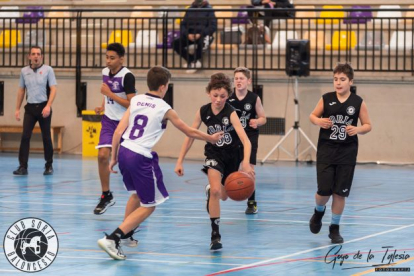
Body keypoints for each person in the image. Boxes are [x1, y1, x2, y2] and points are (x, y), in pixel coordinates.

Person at [97, 66, 223, 260]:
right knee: (150, 205)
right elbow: (190, 131)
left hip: (124, 151)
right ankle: (114, 238)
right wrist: (211, 138)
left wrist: (114, 157)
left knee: (137, 195)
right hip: (140, 155)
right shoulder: (165, 108)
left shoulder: (136, 99)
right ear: (164, 87)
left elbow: (117, 132)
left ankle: (125, 232)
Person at [175, 73, 254, 250]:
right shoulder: (203, 111)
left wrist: (246, 163)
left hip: (232, 156)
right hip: (214, 155)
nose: (218, 100)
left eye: (223, 96)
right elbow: (190, 136)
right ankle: (215, 235)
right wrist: (180, 160)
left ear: (229, 95)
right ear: (208, 93)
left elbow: (246, 140)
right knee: (217, 192)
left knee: (225, 196)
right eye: (215, 95)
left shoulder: (231, 112)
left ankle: (211, 190)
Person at [309, 63, 372, 243]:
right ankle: (318, 212)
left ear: (350, 81)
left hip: (347, 153)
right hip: (326, 151)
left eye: (342, 79)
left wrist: (357, 129)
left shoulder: (358, 102)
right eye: (335, 79)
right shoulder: (326, 98)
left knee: (340, 193)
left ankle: (334, 228)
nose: (338, 83)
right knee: (324, 191)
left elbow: (368, 125)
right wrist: (319, 121)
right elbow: (312, 116)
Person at [93, 43, 136, 215]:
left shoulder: (128, 76)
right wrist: (103, 105)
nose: (108, 61)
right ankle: (106, 195)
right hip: (109, 121)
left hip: (126, 122)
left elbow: (132, 104)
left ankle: (140, 196)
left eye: (112, 58)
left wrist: (110, 95)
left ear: (121, 59)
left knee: (130, 163)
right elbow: (108, 93)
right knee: (102, 155)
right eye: (107, 57)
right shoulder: (104, 72)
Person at [13, 46, 57, 176]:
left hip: (44, 107)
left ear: (41, 56)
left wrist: (48, 105)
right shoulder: (24, 71)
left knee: (46, 137)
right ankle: (23, 167)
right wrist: (17, 109)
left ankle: (49, 165)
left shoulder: (48, 70)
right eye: (33, 54)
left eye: (38, 54)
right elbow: (21, 90)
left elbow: (53, 89)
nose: (36, 56)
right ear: (29, 56)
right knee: (25, 137)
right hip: (30, 108)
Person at [228, 67, 266, 214]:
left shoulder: (254, 98)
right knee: (228, 169)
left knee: (249, 168)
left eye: (241, 78)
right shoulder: (229, 98)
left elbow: (263, 117)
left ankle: (251, 202)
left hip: (249, 137)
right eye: (236, 78)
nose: (238, 81)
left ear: (248, 81)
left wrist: (257, 122)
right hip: (233, 137)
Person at [173, 0, 217, 74]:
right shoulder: (190, 9)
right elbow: (183, 24)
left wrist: (200, 34)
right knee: (175, 43)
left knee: (203, 42)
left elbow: (213, 26)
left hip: (204, 35)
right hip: (190, 35)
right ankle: (192, 61)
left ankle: (193, 62)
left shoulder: (209, 9)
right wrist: (187, 34)